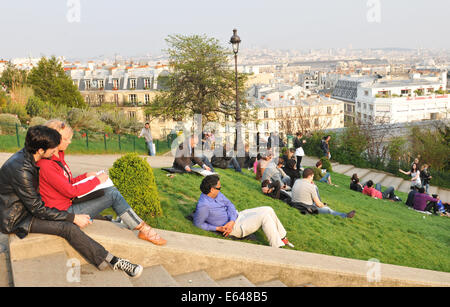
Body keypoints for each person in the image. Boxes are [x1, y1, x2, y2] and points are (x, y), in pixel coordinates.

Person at [0, 125, 143, 278]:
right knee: (68, 228)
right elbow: (38, 209)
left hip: (28, 208)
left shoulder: (29, 156)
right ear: (41, 150)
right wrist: (73, 218)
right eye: (53, 148)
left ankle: (109, 222)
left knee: (96, 198)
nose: (56, 151)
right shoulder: (21, 170)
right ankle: (113, 261)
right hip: (18, 218)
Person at [37, 120, 166, 246]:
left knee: (110, 191)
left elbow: (67, 182)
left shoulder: (58, 156)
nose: (69, 142)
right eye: (66, 139)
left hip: (69, 203)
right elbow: (70, 190)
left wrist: (86, 176)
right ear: (53, 139)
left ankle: (137, 225)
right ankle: (143, 229)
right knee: (113, 195)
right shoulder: (46, 164)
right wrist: (96, 180)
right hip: (65, 213)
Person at [193, 175, 294, 248]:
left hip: (237, 217)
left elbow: (230, 205)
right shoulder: (203, 205)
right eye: (219, 188)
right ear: (211, 189)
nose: (220, 189)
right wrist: (218, 228)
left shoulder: (217, 194)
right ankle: (276, 246)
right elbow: (198, 224)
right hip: (235, 229)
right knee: (264, 216)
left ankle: (282, 237)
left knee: (268, 209)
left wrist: (232, 220)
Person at [291, 168, 355, 218]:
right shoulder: (311, 187)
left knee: (315, 187)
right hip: (306, 207)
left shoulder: (297, 181)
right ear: (310, 176)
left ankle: (321, 202)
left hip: (295, 203)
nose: (312, 178)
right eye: (312, 176)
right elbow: (318, 205)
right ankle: (345, 215)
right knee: (328, 210)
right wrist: (322, 205)